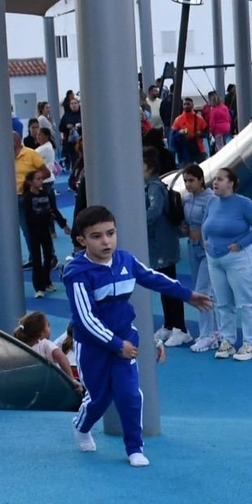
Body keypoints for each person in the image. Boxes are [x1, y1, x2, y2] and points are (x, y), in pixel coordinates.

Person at [63, 205, 213, 465]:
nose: (106, 240)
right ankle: (82, 426)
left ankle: (134, 448)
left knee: (130, 394)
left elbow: (154, 278)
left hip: (125, 341)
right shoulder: (77, 273)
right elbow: (86, 319)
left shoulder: (125, 260)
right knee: (99, 399)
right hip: (93, 347)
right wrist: (115, 344)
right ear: (82, 240)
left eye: (110, 233)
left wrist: (187, 295)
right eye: (96, 236)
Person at [203, 167, 252, 360]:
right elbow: (206, 224)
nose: (215, 182)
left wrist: (240, 244)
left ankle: (251, 344)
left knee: (247, 301)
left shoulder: (244, 203)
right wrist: (206, 241)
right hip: (214, 258)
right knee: (222, 302)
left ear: (231, 183)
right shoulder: (212, 202)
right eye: (215, 179)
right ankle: (227, 340)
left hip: (238, 258)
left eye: (220, 179)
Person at [142, 152, 190, 347]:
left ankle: (181, 327)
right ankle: (170, 324)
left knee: (169, 285)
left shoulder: (154, 187)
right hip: (158, 243)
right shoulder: (151, 186)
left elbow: (155, 211)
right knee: (164, 285)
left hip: (162, 243)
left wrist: (136, 218)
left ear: (150, 167)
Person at [179, 164, 220, 352]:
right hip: (193, 248)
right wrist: (186, 229)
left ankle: (207, 335)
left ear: (201, 180)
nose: (188, 184)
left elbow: (215, 224)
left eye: (191, 180)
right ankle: (216, 331)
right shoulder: (187, 199)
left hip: (208, 250)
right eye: (185, 181)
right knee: (204, 290)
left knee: (202, 290)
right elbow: (186, 221)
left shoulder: (211, 199)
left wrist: (202, 235)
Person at [20, 169, 67, 297]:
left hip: (45, 230)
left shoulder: (45, 193)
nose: (41, 181)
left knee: (49, 256)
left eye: (41, 179)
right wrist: (46, 216)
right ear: (30, 182)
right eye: (38, 179)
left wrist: (63, 224)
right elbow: (30, 217)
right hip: (34, 232)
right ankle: (38, 287)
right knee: (36, 259)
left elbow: (54, 210)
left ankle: (46, 281)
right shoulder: (27, 198)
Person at [13, 310, 80, 385]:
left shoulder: (17, 346)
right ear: (41, 333)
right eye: (48, 325)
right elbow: (60, 356)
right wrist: (71, 379)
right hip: (44, 383)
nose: (50, 328)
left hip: (24, 382)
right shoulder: (44, 344)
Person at [170, 98, 207, 166]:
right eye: (184, 104)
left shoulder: (199, 118)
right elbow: (173, 137)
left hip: (198, 149)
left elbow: (206, 132)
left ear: (192, 105)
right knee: (186, 171)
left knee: (204, 167)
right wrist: (180, 133)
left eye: (188, 104)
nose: (186, 106)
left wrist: (200, 134)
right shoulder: (178, 119)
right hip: (184, 150)